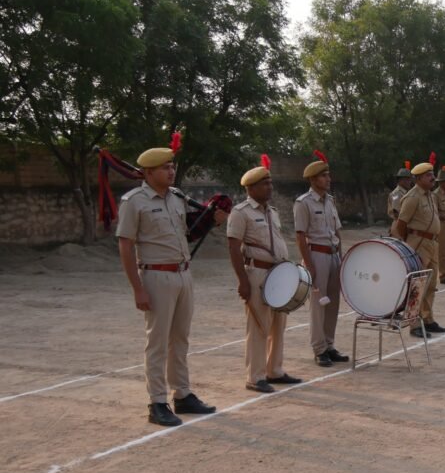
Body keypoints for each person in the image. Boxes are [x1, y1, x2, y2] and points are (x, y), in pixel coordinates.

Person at [116, 140, 222, 426]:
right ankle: (158, 402)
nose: (171, 171)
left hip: (183, 273)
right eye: (165, 167)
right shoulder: (134, 202)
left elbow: (190, 232)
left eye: (172, 166)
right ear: (148, 172)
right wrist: (137, 288)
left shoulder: (177, 198)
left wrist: (214, 217)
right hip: (156, 275)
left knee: (180, 339)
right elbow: (125, 246)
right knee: (158, 342)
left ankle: (183, 394)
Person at [227, 157, 303, 393]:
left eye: (270, 183)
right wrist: (242, 281)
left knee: (278, 324)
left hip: (278, 274)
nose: (269, 187)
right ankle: (255, 376)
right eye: (264, 184)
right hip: (257, 273)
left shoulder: (272, 212)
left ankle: (274, 370)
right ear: (250, 188)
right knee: (259, 325)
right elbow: (233, 247)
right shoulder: (241, 213)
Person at [294, 151, 347, 368]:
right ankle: (319, 348)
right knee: (318, 303)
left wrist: (342, 257)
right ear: (313, 180)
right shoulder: (303, 203)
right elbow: (300, 235)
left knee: (333, 302)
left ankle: (329, 344)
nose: (328, 179)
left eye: (328, 175)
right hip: (317, 254)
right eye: (324, 176)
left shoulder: (330, 201)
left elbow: (337, 230)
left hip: (333, 253)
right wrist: (309, 264)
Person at [394, 162, 445, 338]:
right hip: (419, 243)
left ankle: (427, 319)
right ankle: (414, 323)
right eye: (428, 175)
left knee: (431, 284)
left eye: (432, 174)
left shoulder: (430, 196)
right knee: (417, 285)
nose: (432, 177)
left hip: (432, 243)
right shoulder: (412, 197)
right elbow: (401, 224)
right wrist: (408, 243)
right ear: (418, 179)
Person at [388, 163, 413, 235]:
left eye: (409, 179)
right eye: (407, 180)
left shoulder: (408, 192)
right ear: (400, 180)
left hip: (406, 225)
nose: (409, 182)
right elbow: (397, 213)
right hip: (399, 226)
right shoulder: (396, 193)